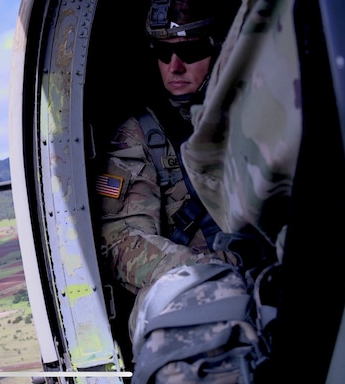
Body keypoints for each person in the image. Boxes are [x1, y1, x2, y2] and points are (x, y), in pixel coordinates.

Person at [95, 0, 242, 374]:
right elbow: (121, 240)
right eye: (164, 52)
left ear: (219, 47)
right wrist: (200, 270)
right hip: (205, 292)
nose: (174, 66)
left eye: (190, 51)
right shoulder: (141, 134)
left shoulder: (253, 111)